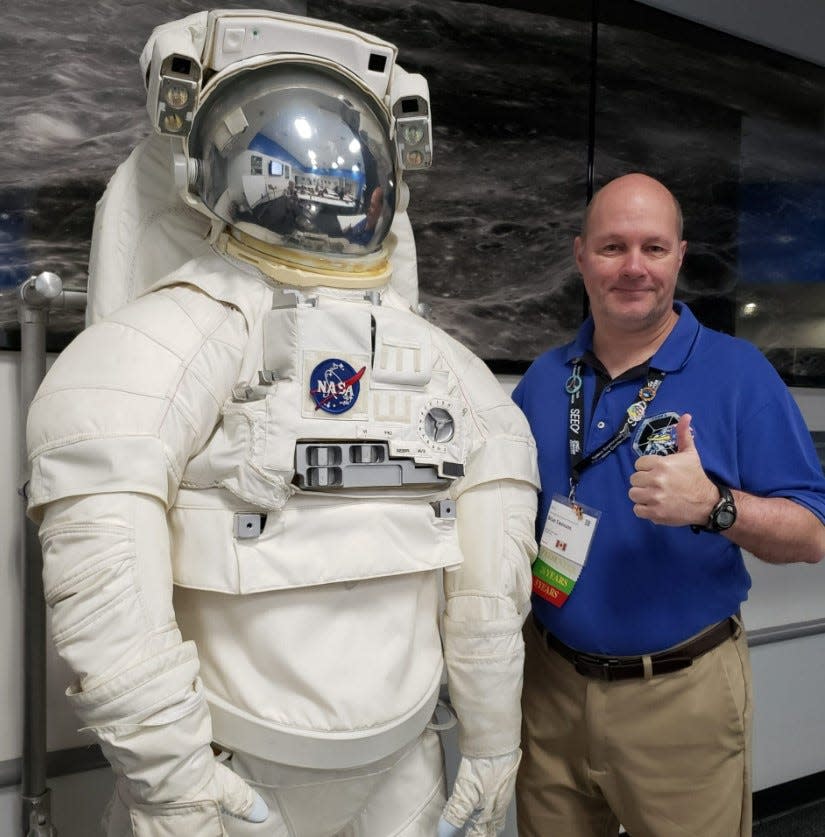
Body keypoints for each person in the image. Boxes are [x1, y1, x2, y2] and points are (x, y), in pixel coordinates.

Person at [26, 10, 539, 837]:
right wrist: (176, 786)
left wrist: (489, 743)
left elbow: (490, 575)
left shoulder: (438, 364)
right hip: (231, 774)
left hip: (403, 759)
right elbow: (111, 593)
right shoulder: (169, 340)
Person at [513, 172, 825, 837]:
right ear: (579, 256)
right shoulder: (544, 378)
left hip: (678, 696)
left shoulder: (738, 372)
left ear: (679, 257)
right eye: (611, 247)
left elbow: (810, 533)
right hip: (548, 685)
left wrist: (715, 505)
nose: (632, 267)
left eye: (652, 248)